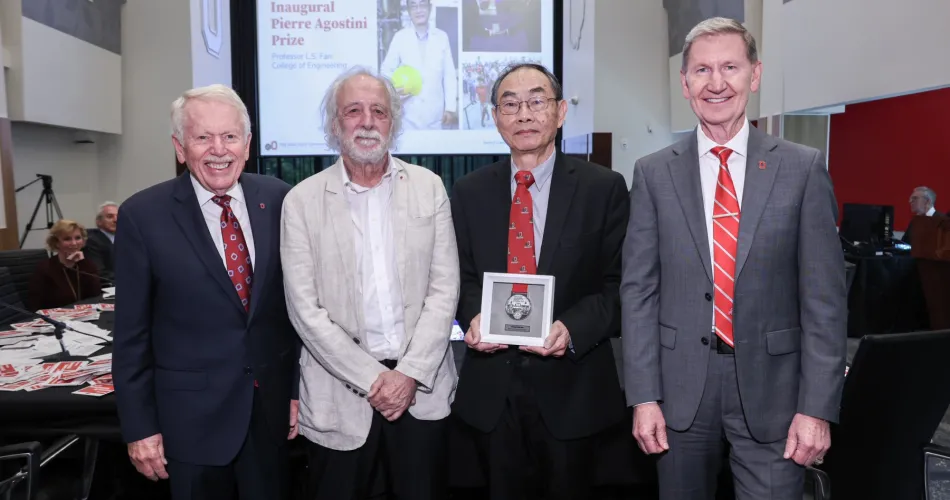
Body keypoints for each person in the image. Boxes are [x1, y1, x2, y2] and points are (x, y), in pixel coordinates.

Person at [621, 17, 847, 500]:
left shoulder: (802, 168)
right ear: (684, 84)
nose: (716, 83)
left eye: (730, 67)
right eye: (702, 71)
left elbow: (825, 300)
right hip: (679, 393)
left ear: (755, 75)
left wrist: (817, 408)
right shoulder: (653, 174)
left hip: (777, 395)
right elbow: (638, 292)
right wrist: (642, 395)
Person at [451, 63, 629, 499]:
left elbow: (620, 285)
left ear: (561, 111)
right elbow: (461, 277)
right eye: (510, 104)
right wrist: (474, 316)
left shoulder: (603, 188)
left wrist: (571, 329)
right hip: (491, 394)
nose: (524, 115)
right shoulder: (469, 191)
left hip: (575, 391)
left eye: (536, 101)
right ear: (495, 118)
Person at [112, 84, 300, 500]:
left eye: (230, 136)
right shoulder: (143, 216)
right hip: (189, 424)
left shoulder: (280, 199)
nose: (219, 149)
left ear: (247, 144)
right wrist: (140, 428)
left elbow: (291, 313)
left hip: (268, 415)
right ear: (180, 148)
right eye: (203, 137)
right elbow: (130, 336)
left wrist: (293, 392)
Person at [280, 67, 460, 500]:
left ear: (393, 123)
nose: (366, 121)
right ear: (334, 123)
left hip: (422, 391)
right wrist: (379, 379)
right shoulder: (301, 201)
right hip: (339, 395)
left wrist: (410, 375)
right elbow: (305, 312)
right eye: (353, 111)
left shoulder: (429, 187)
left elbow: (444, 290)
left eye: (378, 111)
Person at [380, 0, 458, 130]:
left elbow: (449, 74)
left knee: (434, 149)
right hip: (408, 115)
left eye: (422, 5)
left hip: (435, 115)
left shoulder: (441, 37)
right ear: (409, 11)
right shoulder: (400, 37)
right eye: (413, 6)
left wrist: (450, 108)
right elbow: (385, 71)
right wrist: (393, 92)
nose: (418, 10)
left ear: (430, 7)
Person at [27, 219, 101, 310]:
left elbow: (96, 296)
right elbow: (35, 306)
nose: (74, 243)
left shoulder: (88, 265)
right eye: (67, 239)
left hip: (86, 317)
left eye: (78, 238)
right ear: (57, 243)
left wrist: (82, 264)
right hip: (56, 319)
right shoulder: (45, 269)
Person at [85, 201, 118, 281]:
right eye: (110, 217)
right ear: (99, 222)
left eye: (118, 216)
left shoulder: (128, 238)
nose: (116, 220)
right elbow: (99, 273)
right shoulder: (92, 241)